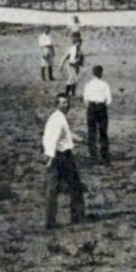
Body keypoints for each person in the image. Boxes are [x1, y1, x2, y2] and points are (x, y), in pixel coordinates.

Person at [42, 93, 86, 229]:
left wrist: (78, 138)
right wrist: (49, 158)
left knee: (53, 189)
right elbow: (52, 139)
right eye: (63, 103)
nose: (66, 105)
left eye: (67, 102)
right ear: (57, 105)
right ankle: (77, 217)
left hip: (58, 154)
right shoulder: (58, 119)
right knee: (74, 186)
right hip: (60, 156)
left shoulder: (57, 117)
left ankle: (51, 220)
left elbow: (63, 134)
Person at [83, 65, 112, 164]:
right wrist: (102, 106)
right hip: (101, 107)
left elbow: (85, 100)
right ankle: (104, 155)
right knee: (103, 132)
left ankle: (93, 155)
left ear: (92, 73)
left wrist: (90, 108)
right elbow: (109, 100)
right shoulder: (104, 84)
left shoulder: (88, 84)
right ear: (101, 73)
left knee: (92, 132)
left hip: (91, 107)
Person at [62, 33, 85, 98]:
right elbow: (66, 57)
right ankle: (68, 92)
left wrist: (81, 64)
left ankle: (72, 92)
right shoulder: (72, 49)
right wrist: (61, 64)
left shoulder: (80, 50)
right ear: (76, 43)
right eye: (78, 43)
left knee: (73, 79)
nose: (79, 44)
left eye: (80, 43)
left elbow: (82, 58)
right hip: (70, 65)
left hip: (76, 66)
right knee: (74, 78)